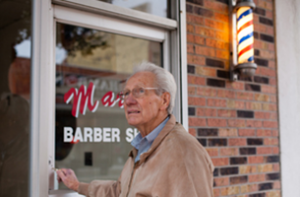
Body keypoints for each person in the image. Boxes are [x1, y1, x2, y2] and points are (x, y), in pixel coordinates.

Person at [57, 62, 214, 197]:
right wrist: (78, 186)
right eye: (126, 93)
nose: (128, 101)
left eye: (139, 91)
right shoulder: (143, 145)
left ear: (164, 100)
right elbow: (120, 191)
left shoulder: (183, 151)